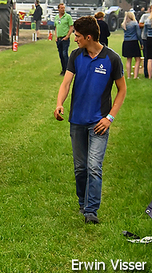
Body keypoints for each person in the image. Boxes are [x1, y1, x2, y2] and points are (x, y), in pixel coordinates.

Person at [54, 15, 126, 225]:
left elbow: (122, 90)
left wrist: (110, 117)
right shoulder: (76, 56)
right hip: (77, 121)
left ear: (88, 37)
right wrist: (59, 103)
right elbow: (66, 84)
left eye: (77, 36)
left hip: (99, 123)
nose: (74, 39)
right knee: (80, 168)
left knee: (94, 166)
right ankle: (82, 203)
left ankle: (91, 211)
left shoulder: (112, 59)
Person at [54, 3, 74, 76]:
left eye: (63, 8)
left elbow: (71, 27)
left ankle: (68, 69)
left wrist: (67, 36)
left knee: (64, 53)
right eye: (61, 8)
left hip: (65, 38)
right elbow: (56, 27)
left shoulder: (68, 17)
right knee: (60, 55)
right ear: (58, 9)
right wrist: (55, 37)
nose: (63, 9)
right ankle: (63, 69)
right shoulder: (56, 17)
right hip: (58, 38)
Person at [121, 11, 141, 79]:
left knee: (128, 60)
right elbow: (138, 34)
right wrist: (141, 42)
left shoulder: (124, 24)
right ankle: (135, 76)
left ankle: (129, 76)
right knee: (137, 59)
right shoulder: (135, 23)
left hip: (126, 42)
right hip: (134, 42)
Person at [139, 5, 151, 78]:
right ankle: (146, 72)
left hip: (147, 37)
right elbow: (140, 24)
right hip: (146, 38)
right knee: (147, 56)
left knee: (148, 57)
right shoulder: (145, 16)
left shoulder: (147, 19)